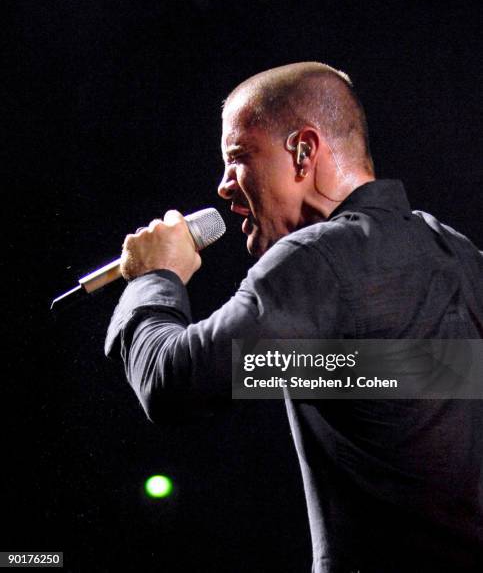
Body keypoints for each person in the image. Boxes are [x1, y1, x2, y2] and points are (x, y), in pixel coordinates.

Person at [105, 62, 483, 572]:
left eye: (238, 157)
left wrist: (155, 275)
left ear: (303, 151)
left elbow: (169, 382)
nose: (223, 186)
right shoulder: (460, 253)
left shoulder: (322, 256)